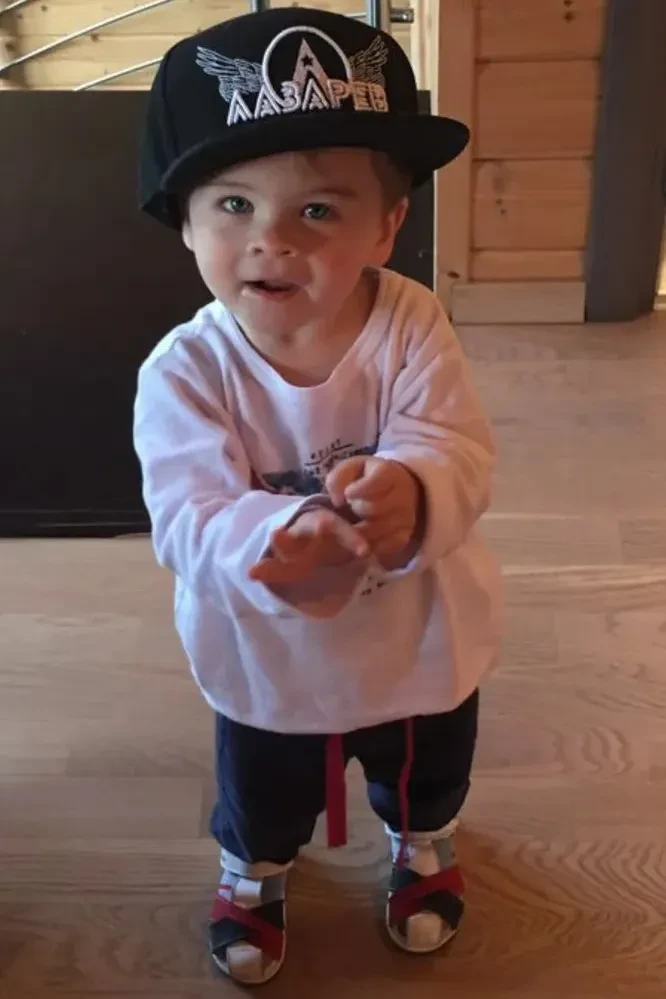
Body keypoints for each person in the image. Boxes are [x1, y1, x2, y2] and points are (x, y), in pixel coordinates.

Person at [133, 5, 502, 986]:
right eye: (234, 204)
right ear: (184, 221)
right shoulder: (184, 370)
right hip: (268, 645)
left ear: (389, 224)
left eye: (320, 211)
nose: (273, 240)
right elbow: (187, 512)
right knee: (266, 783)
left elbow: (457, 443)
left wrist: (413, 488)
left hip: (416, 626)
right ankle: (253, 870)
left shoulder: (413, 323)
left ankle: (423, 841)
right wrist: (277, 539)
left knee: (427, 763)